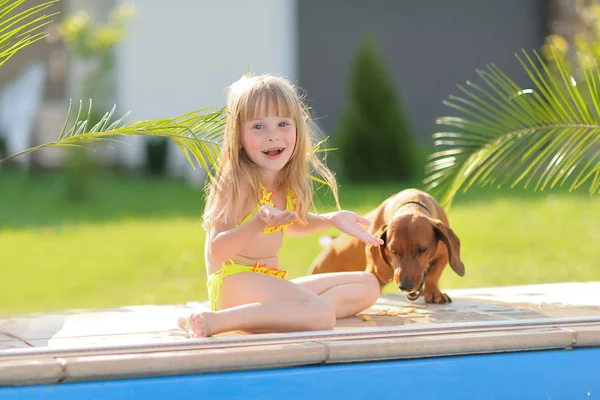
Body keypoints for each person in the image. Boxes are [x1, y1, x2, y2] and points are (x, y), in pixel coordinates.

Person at [178, 73, 383, 338]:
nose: (273, 136)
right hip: (233, 283)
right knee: (322, 315)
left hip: (269, 283)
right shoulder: (237, 181)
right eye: (258, 127)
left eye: (283, 123)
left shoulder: (283, 180)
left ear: (298, 128)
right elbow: (217, 251)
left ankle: (287, 315)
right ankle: (217, 321)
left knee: (367, 285)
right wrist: (259, 222)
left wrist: (331, 219)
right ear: (238, 135)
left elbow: (294, 224)